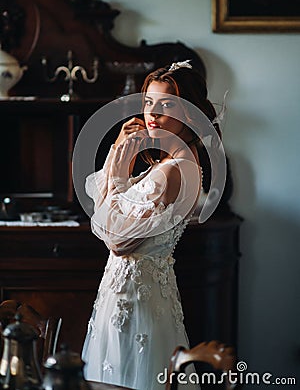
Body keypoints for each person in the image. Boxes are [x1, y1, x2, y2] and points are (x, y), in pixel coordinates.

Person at [81, 60, 222, 390]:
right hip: (131, 295)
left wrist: (118, 165)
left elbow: (117, 240)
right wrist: (119, 151)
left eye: (166, 104)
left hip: (136, 302)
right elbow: (112, 215)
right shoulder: (175, 164)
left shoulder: (173, 170)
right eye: (148, 102)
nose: (152, 113)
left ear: (190, 113)